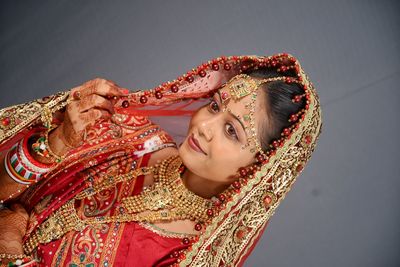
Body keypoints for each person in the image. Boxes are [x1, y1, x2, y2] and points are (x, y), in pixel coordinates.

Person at [0, 53, 322, 267]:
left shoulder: (187, 256)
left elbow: (12, 213)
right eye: (214, 105)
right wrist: (59, 141)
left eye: (232, 131)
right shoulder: (129, 134)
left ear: (260, 169)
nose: (204, 126)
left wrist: (10, 242)